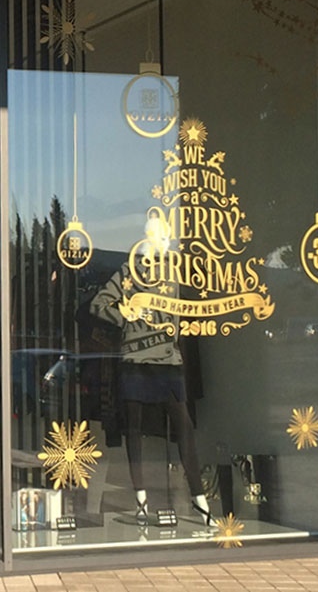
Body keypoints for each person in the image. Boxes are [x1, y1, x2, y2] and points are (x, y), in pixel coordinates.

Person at [90, 216, 214, 527]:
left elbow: (187, 311)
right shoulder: (129, 271)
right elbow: (98, 304)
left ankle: (200, 499)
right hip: (136, 359)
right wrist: (125, 313)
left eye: (160, 235)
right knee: (134, 431)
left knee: (184, 428)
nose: (158, 240)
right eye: (151, 234)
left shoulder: (174, 271)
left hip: (168, 362)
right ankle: (141, 499)